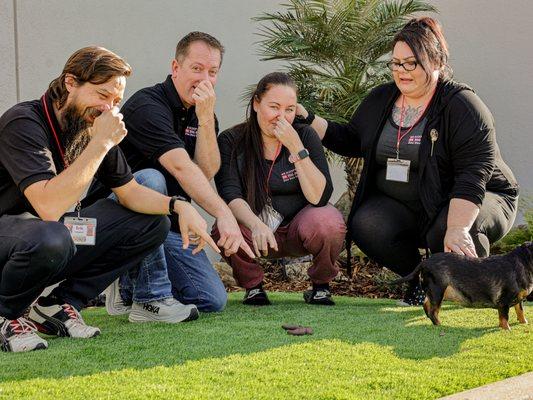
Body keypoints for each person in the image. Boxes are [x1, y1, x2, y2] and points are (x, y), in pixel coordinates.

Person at [0, 46, 218, 352]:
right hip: (12, 236)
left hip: (51, 237)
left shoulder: (92, 124)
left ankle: (59, 304)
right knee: (53, 235)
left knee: (152, 223)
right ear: (70, 83)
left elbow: (129, 191)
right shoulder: (23, 122)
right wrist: (101, 142)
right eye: (102, 95)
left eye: (116, 101)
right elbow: (48, 207)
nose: (109, 109)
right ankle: (5, 314)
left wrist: (177, 206)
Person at [296, 17, 519, 305]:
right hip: (416, 203)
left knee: (445, 230)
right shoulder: (382, 98)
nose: (401, 71)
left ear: (436, 62)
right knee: (367, 222)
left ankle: (485, 287)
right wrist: (308, 119)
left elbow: (473, 172)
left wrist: (458, 227)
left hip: (480, 196)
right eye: (396, 63)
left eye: (411, 63)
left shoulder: (463, 106)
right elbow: (352, 139)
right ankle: (418, 282)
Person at [103, 32, 254, 321]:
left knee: (211, 298)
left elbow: (205, 171)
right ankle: (150, 299)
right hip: (117, 215)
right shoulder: (148, 105)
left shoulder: (203, 111)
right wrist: (224, 214)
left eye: (212, 72)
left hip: (165, 222)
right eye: (196, 69)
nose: (204, 79)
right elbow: (182, 168)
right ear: (176, 68)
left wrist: (207, 118)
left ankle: (127, 282)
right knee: (151, 180)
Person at [214, 72, 346, 306]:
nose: (281, 117)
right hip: (255, 231)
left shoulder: (305, 135)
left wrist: (296, 147)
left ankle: (321, 286)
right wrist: (256, 225)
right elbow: (230, 195)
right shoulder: (231, 140)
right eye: (274, 107)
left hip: (299, 230)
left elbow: (319, 197)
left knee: (328, 221)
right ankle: (253, 287)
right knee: (223, 227)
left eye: (289, 109)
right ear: (256, 104)